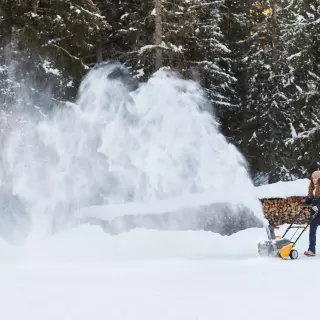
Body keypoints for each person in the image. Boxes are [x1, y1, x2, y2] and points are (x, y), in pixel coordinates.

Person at [304, 171, 320, 256]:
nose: (314, 179)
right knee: (312, 233)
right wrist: (305, 202)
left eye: (316, 178)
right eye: (313, 178)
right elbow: (309, 199)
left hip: (318, 213)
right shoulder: (312, 188)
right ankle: (311, 250)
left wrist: (317, 207)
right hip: (315, 215)